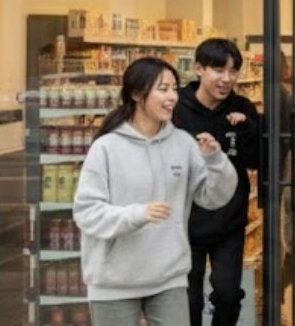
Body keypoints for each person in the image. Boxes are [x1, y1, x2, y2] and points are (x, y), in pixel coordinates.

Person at [74, 57, 238, 326]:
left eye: (174, 88)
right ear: (137, 94)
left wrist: (215, 161)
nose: (173, 97)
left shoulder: (183, 143)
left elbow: (213, 198)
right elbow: (87, 213)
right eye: (163, 89)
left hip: (168, 277)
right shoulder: (106, 148)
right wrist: (138, 214)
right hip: (113, 282)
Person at [173, 39, 262, 326]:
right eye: (218, 70)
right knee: (189, 298)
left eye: (233, 71)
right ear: (199, 69)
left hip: (229, 220)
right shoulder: (177, 108)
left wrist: (248, 129)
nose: (227, 79)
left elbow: (257, 161)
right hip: (186, 220)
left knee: (228, 294)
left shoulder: (242, 107)